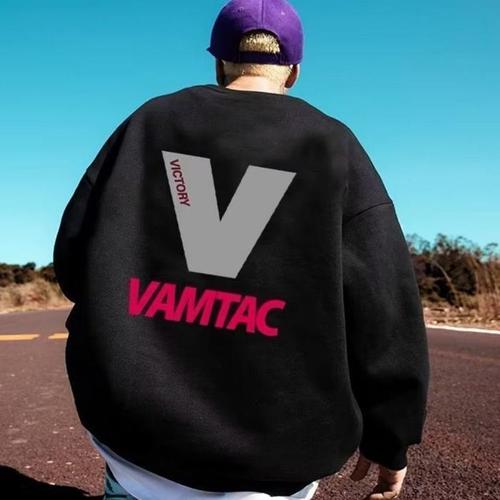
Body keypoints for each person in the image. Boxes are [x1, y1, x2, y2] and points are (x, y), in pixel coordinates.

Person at [52, 0, 430, 499]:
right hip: (279, 459)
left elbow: (73, 258)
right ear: (294, 71)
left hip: (137, 441)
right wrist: (390, 435)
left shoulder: (149, 121)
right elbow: (385, 309)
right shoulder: (333, 144)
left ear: (218, 63)